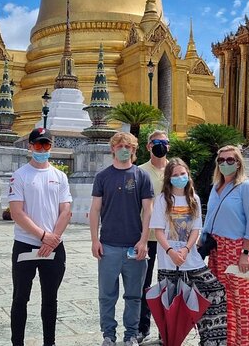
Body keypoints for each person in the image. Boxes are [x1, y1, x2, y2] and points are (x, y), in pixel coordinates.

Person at [150, 158, 227, 345]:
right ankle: (169, 340)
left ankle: (211, 339)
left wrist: (185, 249)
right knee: (170, 304)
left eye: (182, 174)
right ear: (169, 178)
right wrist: (171, 252)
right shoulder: (162, 200)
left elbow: (195, 229)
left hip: (190, 257)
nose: (179, 178)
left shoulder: (194, 198)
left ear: (188, 175)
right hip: (169, 259)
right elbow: (158, 231)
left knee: (214, 291)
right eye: (175, 175)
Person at [8, 128, 73, 346]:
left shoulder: (60, 176)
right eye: (38, 145)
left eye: (46, 145)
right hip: (26, 245)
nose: (42, 149)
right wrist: (43, 236)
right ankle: (17, 342)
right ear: (30, 146)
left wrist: (53, 238)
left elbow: (66, 211)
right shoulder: (20, 175)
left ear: (51, 147)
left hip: (54, 246)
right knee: (20, 298)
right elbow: (17, 212)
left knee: (50, 299)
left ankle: (49, 342)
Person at [90, 132, 154, 346]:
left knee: (134, 296)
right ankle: (108, 334)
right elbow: (95, 209)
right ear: (113, 149)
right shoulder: (103, 177)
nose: (124, 149)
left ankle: (130, 335)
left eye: (128, 146)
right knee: (107, 295)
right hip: (108, 245)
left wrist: (144, 241)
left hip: (134, 246)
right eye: (120, 145)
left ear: (134, 150)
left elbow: (148, 211)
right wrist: (94, 240)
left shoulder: (141, 176)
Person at [202, 145, 249, 346]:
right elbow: (210, 218)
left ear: (238, 163)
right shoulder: (216, 186)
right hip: (217, 252)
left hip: (238, 251)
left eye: (230, 160)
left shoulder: (246, 186)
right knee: (221, 302)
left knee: (243, 303)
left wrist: (245, 252)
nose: (226, 164)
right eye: (221, 161)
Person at [136, 130, 169, 342]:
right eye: (156, 142)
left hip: (169, 238)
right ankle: (142, 327)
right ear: (148, 146)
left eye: (164, 142)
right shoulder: (139, 171)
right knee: (144, 284)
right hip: (146, 236)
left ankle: (166, 329)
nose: (160, 146)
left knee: (167, 284)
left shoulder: (175, 171)